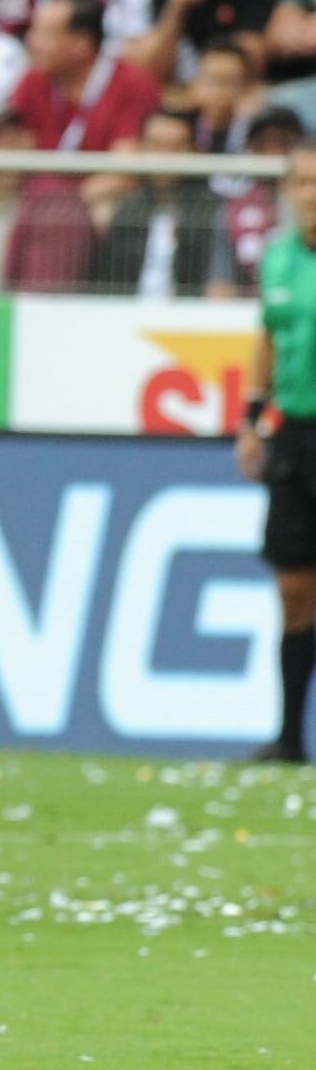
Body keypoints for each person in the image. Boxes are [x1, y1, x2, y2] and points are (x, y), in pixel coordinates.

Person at [240, 143, 316, 767]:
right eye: (302, 182)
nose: (311, 193)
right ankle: (288, 737)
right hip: (293, 433)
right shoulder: (278, 259)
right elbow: (267, 337)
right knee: (293, 589)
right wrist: (251, 418)